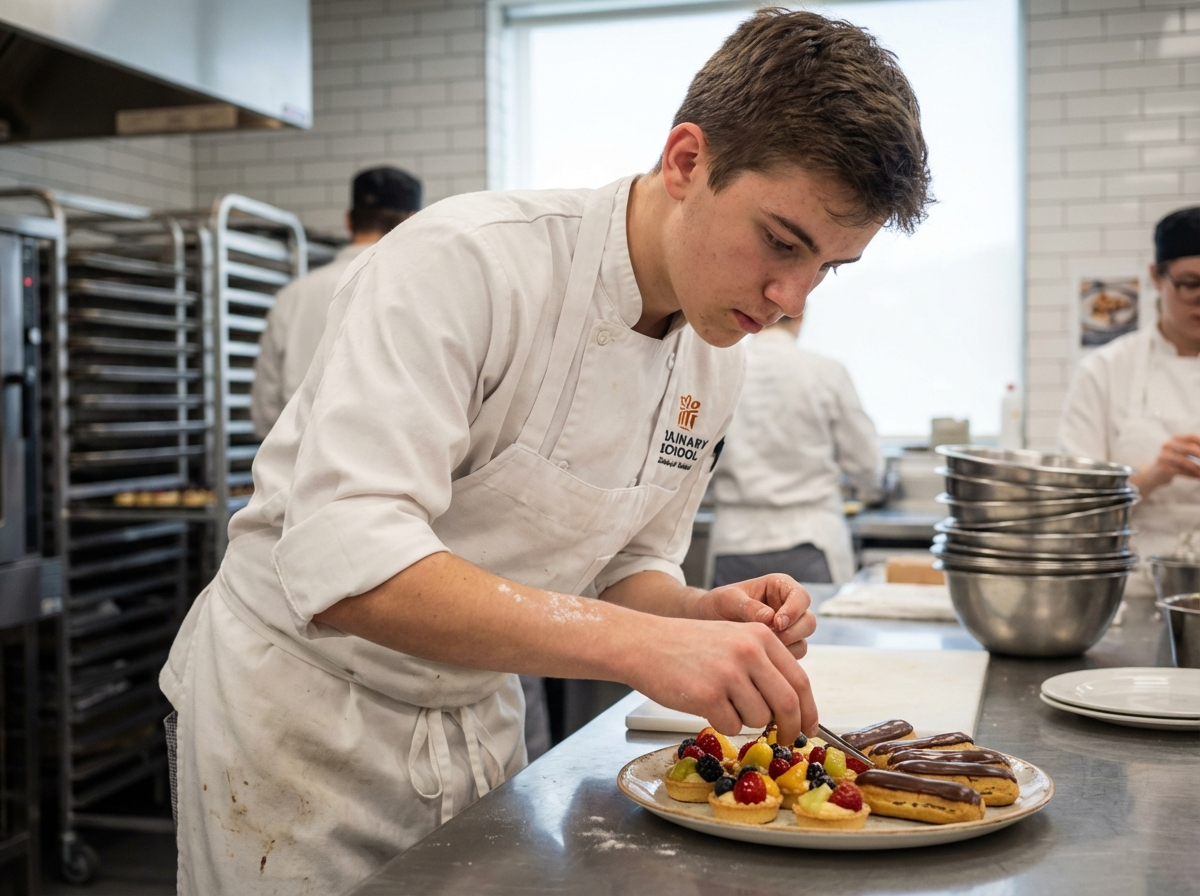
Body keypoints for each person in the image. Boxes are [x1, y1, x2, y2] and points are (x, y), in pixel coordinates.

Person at [160, 11, 931, 894]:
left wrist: (693, 615)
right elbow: (347, 561)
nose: (791, 298)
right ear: (688, 161)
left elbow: (624, 565)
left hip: (475, 716)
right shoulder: (469, 265)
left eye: (830, 268)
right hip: (299, 729)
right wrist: (639, 645)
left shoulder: (716, 359)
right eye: (782, 243)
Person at [1060, 207, 1200, 597]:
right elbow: (1077, 504)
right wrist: (1152, 474)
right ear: (1156, 277)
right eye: (1190, 283)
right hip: (1134, 589)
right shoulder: (1105, 371)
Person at [711, 313, 883, 586]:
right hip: (811, 538)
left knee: (733, 627)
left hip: (735, 540)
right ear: (800, 316)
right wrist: (868, 490)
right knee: (817, 628)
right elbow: (866, 463)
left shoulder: (720, 371)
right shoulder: (826, 371)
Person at [250, 166, 423, 437]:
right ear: (412, 220)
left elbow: (266, 403)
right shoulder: (416, 291)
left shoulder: (293, 295)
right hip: (387, 464)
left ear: (349, 219)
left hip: (298, 463)